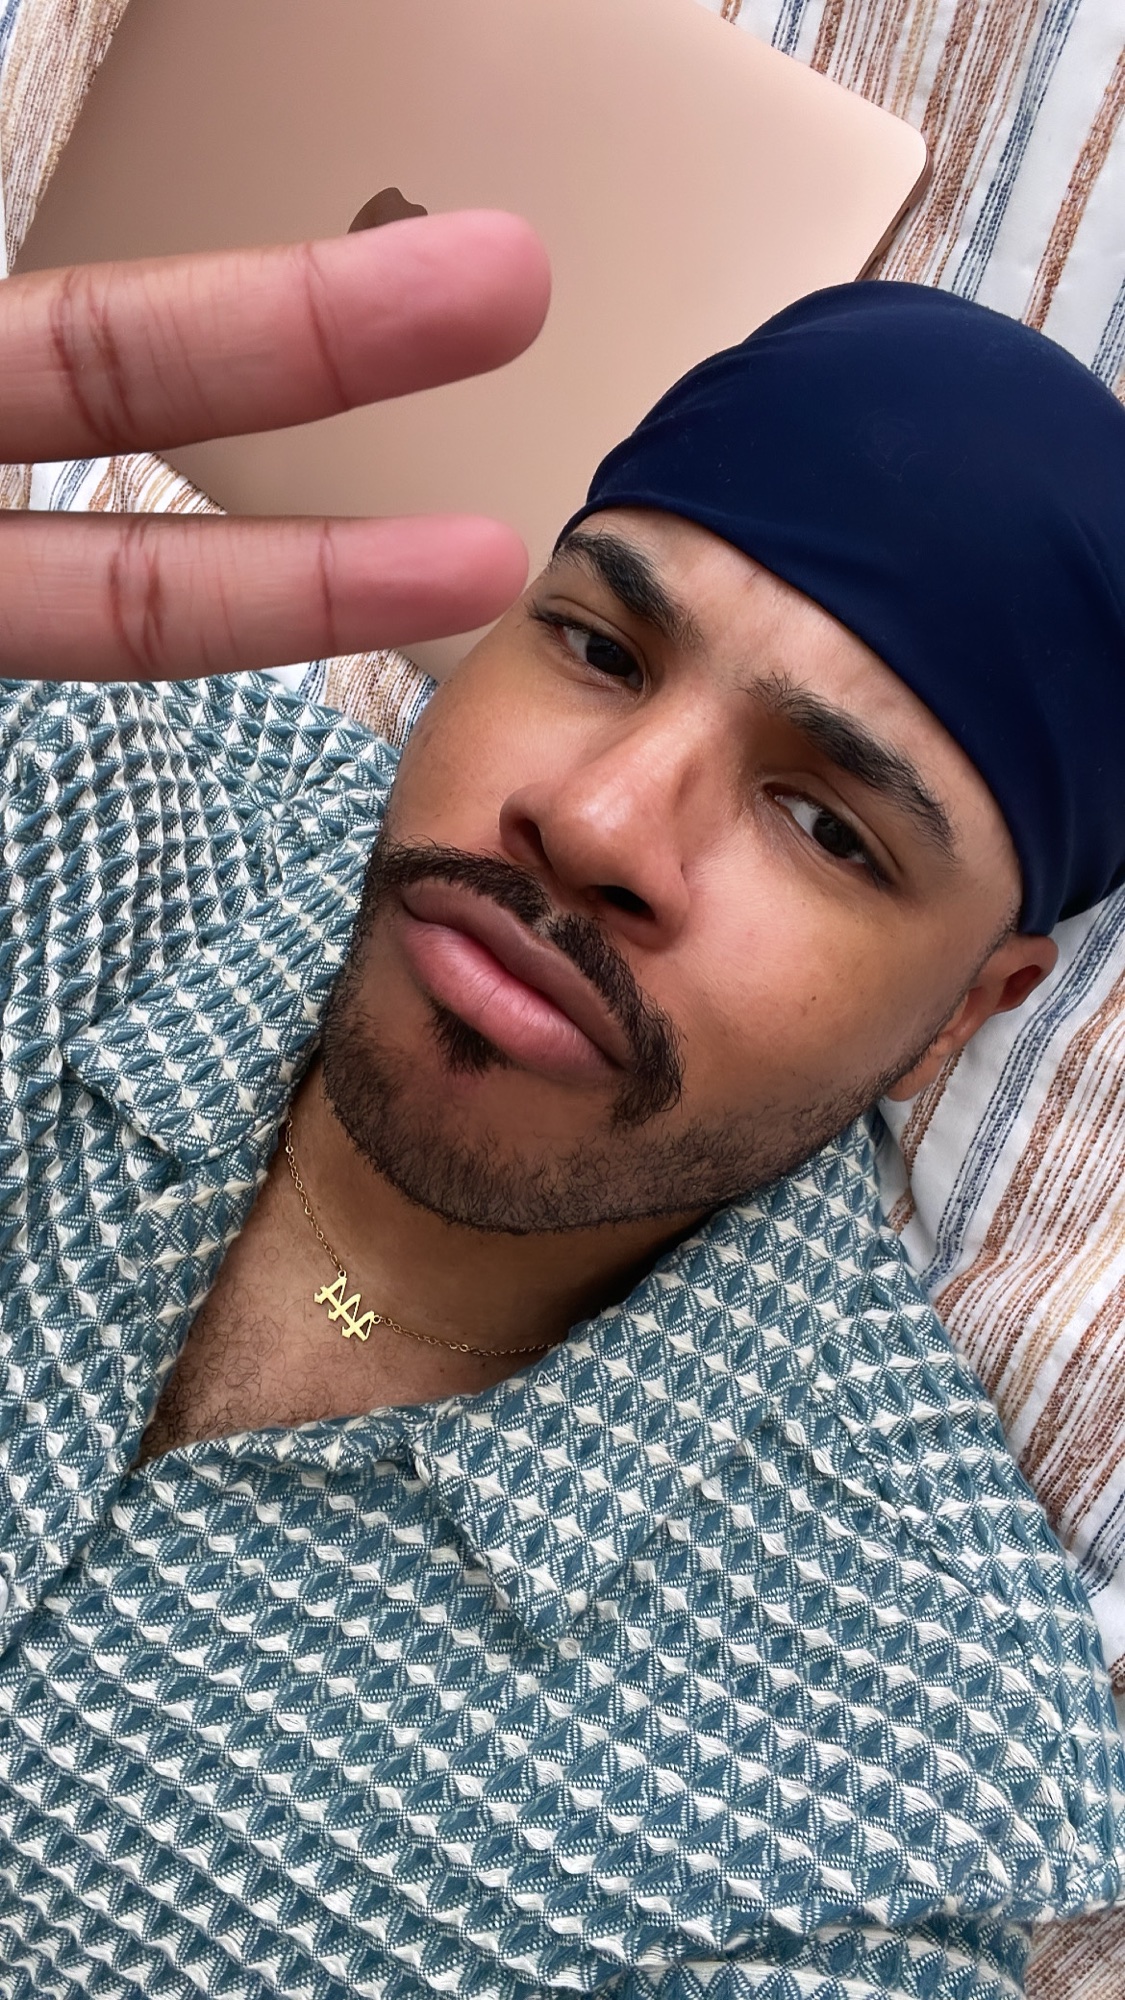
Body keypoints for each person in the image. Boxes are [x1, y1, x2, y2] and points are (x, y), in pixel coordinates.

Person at [0, 212, 1123, 2000]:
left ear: (963, 1016)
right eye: (600, 648)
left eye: (823, 824)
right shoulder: (63, 791)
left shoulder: (876, 1817)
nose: (594, 823)